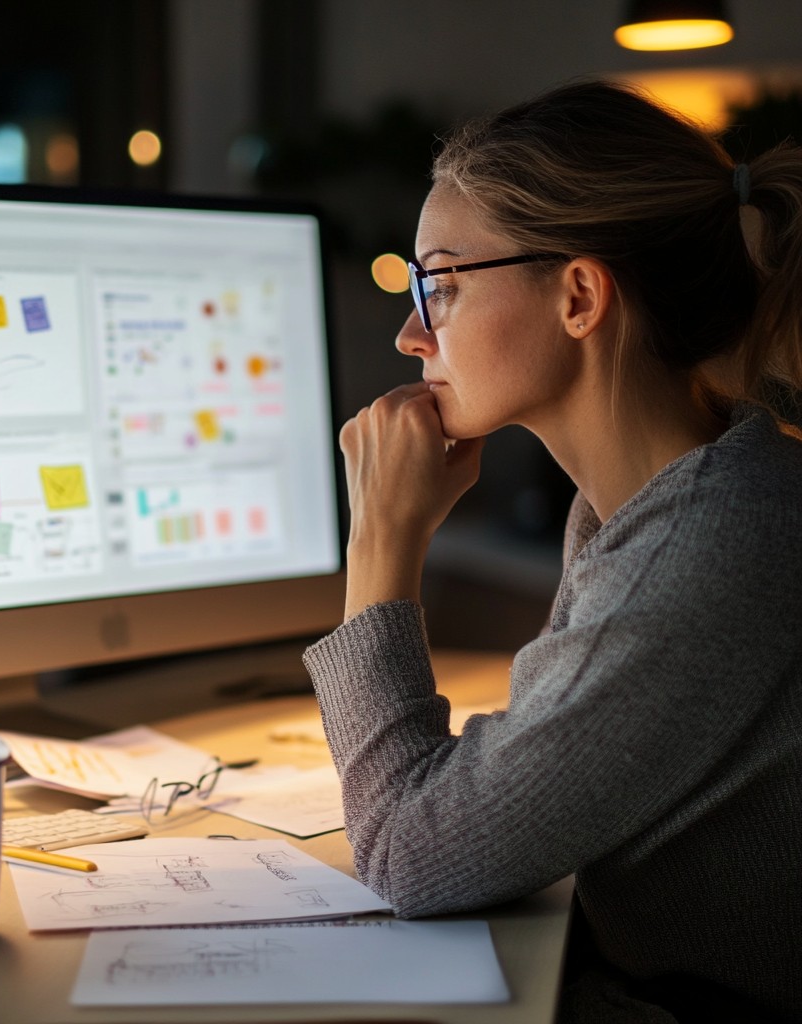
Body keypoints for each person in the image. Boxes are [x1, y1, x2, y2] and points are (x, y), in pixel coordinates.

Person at [302, 78, 802, 1023]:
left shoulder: (716, 539)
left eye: (440, 284)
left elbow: (412, 854)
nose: (412, 333)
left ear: (579, 295)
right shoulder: (642, 506)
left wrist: (380, 541)